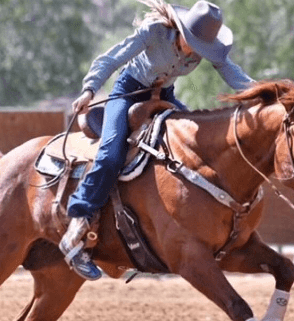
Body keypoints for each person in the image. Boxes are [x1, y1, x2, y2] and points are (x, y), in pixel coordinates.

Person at [60, 0, 255, 280]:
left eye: (203, 49)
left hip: (163, 96)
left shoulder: (206, 49)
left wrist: (264, 93)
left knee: (198, 150)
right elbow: (111, 58)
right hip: (127, 93)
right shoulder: (154, 33)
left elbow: (230, 71)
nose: (198, 54)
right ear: (182, 33)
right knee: (111, 155)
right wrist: (90, 89)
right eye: (195, 45)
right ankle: (77, 224)